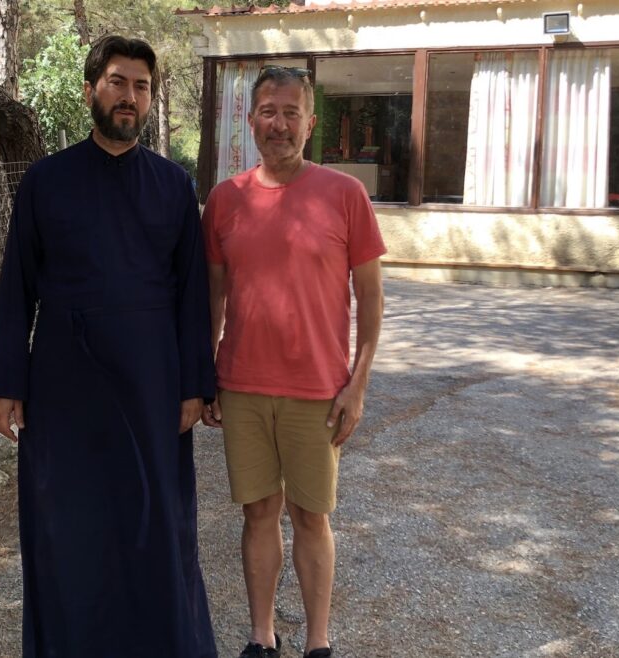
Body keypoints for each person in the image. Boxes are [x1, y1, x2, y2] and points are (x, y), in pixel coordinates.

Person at [0, 35, 218, 658]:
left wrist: (195, 386)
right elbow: (17, 286)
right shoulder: (46, 181)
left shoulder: (174, 186)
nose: (129, 97)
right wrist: (6, 383)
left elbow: (193, 294)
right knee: (69, 525)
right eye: (118, 82)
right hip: (65, 382)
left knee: (157, 522)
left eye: (141, 86)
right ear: (91, 90)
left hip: (152, 381)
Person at [201, 66, 386, 658]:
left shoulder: (345, 194)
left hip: (317, 392)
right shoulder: (225, 201)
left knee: (311, 517)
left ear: (310, 123)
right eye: (267, 112)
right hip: (243, 386)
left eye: (290, 113)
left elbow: (371, 298)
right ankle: (261, 636)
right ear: (250, 120)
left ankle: (317, 642)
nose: (278, 124)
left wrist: (358, 384)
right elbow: (214, 299)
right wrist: (205, 374)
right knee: (258, 514)